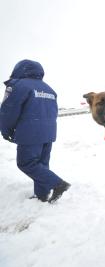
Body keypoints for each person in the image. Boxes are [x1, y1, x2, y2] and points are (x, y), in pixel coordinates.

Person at [0, 59, 71, 203]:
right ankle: (42, 196)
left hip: (30, 134)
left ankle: (58, 184)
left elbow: (8, 111)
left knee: (26, 163)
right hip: (48, 133)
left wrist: (5, 130)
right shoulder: (49, 89)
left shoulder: (17, 85)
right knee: (41, 165)